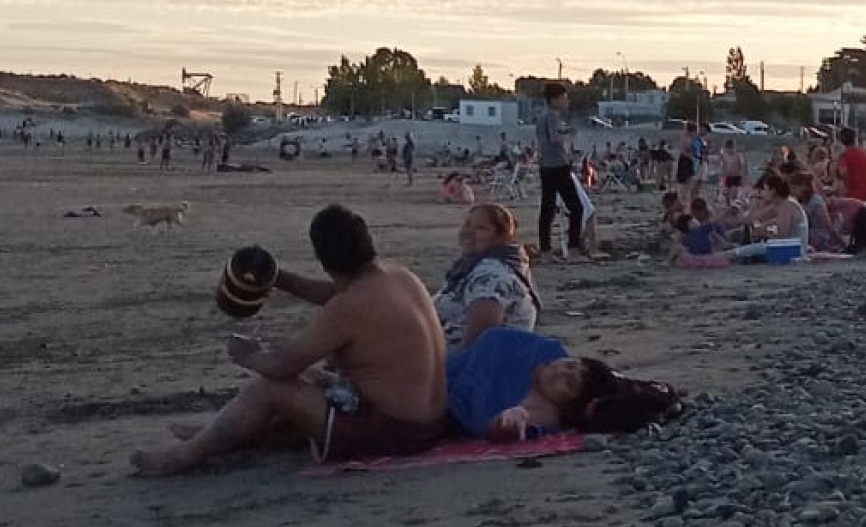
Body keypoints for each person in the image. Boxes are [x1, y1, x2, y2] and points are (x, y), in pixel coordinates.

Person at [131, 205, 447, 475]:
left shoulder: (349, 306)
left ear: (324, 260)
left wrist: (247, 354)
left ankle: (187, 454)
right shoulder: (400, 277)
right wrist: (279, 279)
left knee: (270, 389)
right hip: (431, 422)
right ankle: (220, 433)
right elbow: (337, 293)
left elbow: (282, 366)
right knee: (309, 377)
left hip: (395, 434)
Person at [446, 327, 681, 440]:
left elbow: (498, 427)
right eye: (569, 365)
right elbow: (493, 341)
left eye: (568, 384)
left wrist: (507, 423)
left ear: (570, 404)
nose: (560, 372)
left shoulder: (545, 413)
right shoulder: (543, 349)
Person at [434, 203, 540, 350]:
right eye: (467, 224)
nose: (468, 232)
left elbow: (480, 337)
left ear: (501, 237)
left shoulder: (492, 276)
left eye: (481, 228)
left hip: (470, 364)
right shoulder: (471, 266)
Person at [532, 83, 588, 261]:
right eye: (564, 97)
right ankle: (573, 250)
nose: (567, 101)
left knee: (547, 209)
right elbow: (555, 139)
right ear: (554, 99)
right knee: (576, 208)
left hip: (546, 166)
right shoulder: (552, 116)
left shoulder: (542, 117)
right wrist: (569, 134)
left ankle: (546, 251)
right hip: (557, 166)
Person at [719, 139, 748, 208]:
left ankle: (736, 205)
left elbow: (743, 166)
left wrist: (743, 176)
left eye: (733, 148)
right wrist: (722, 177)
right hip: (727, 176)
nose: (731, 150)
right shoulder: (724, 156)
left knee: (734, 192)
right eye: (729, 148)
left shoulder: (738, 156)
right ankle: (728, 206)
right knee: (727, 193)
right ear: (726, 148)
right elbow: (723, 167)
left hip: (736, 176)